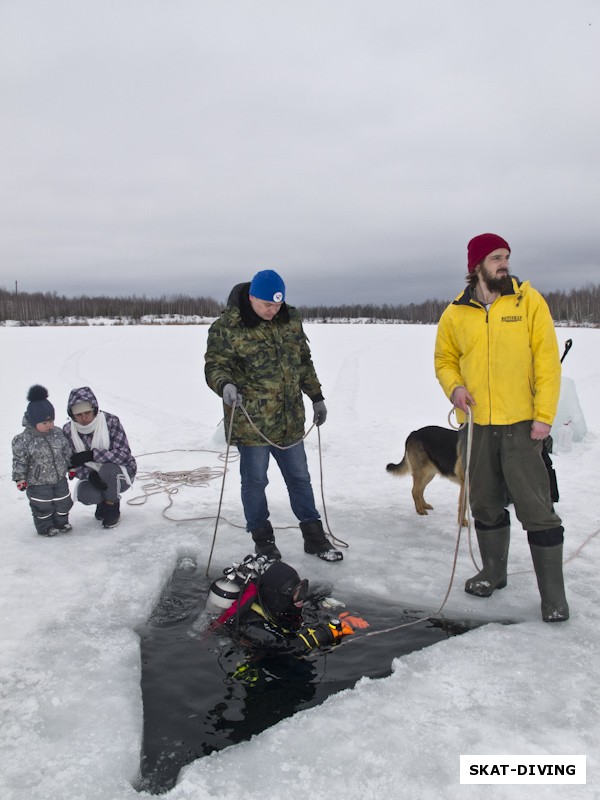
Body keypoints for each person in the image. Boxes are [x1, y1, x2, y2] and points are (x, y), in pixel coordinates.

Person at [434, 232, 569, 622]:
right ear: (476, 266)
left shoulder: (529, 301)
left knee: (537, 509)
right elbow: (445, 358)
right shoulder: (456, 313)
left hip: (523, 426)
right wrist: (454, 387)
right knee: (485, 504)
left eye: (506, 256)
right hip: (476, 427)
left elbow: (547, 362)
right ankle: (494, 572)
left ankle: (553, 597)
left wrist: (544, 415)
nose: (503, 263)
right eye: (495, 257)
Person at [204, 269, 343, 562]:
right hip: (251, 423)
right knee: (254, 482)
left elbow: (303, 362)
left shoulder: (290, 319)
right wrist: (225, 385)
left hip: (290, 420)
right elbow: (215, 367)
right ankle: (263, 539)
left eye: (277, 305)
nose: (273, 310)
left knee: (300, 478)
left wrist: (316, 397)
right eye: (267, 305)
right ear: (252, 297)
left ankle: (314, 537)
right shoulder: (227, 327)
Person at [210, 559, 367, 654]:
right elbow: (287, 646)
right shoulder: (254, 624)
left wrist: (341, 616)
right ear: (277, 596)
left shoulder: (282, 605)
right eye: (296, 593)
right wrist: (327, 632)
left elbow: (319, 594)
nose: (301, 598)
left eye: (302, 589)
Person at [63, 386, 137, 529]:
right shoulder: (68, 431)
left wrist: (92, 455)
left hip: (122, 474)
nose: (84, 418)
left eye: (87, 413)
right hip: (94, 476)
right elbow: (70, 463)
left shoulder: (111, 422)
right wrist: (89, 475)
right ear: (72, 415)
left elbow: (123, 454)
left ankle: (112, 506)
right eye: (78, 415)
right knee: (85, 494)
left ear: (95, 410)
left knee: (107, 469)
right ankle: (102, 502)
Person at [12, 385, 73, 537]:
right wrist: (20, 478)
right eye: (45, 423)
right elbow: (19, 460)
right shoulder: (23, 440)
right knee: (42, 505)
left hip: (59, 478)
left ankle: (61, 522)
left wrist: (71, 467)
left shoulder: (57, 433)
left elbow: (66, 452)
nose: (49, 425)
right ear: (33, 422)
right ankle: (45, 527)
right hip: (38, 482)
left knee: (63, 501)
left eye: (51, 421)